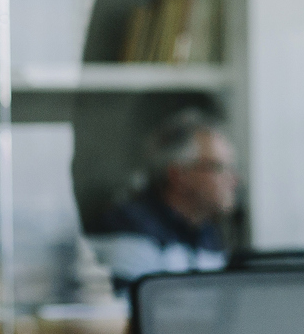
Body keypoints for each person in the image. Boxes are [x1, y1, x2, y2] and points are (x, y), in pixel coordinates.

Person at [91, 107, 238, 285]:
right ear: (179, 175)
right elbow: (134, 310)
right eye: (218, 168)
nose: (234, 180)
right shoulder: (129, 228)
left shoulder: (208, 233)